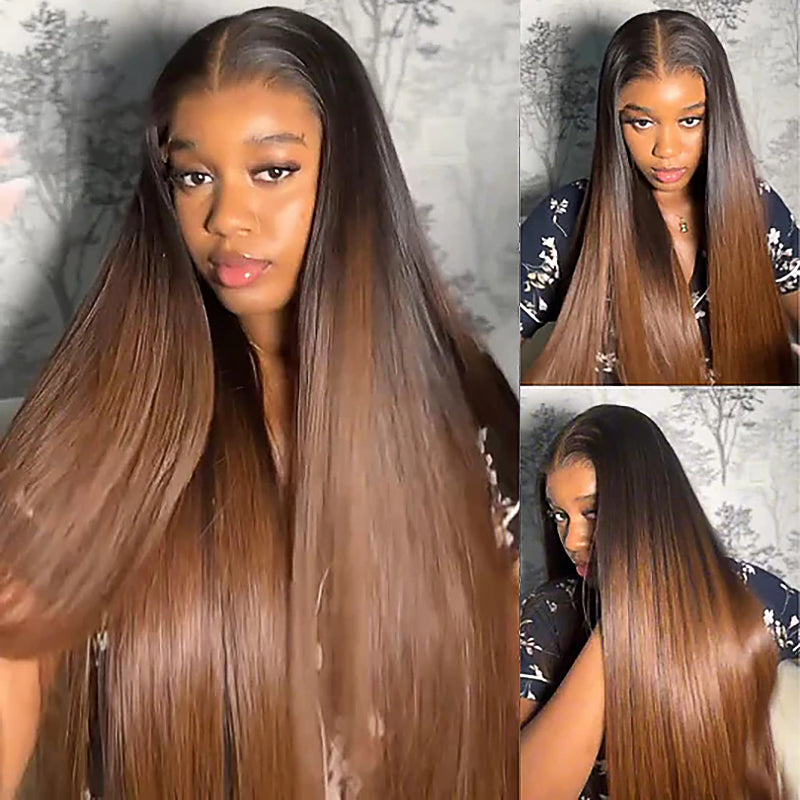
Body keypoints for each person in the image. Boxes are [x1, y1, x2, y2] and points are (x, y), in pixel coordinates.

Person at [0, 8, 519, 798]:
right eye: (193, 176)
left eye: (272, 171)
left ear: (350, 179)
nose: (225, 218)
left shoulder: (470, 424)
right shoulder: (98, 430)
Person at [519, 405, 798, 800]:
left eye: (592, 512)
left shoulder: (745, 591)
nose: (571, 540)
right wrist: (624, 620)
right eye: (559, 516)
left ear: (648, 506)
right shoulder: (549, 614)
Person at [520, 10, 799, 385]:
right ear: (615, 122)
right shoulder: (565, 220)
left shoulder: (759, 210)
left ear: (718, 118)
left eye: (690, 120)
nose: (666, 150)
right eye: (642, 122)